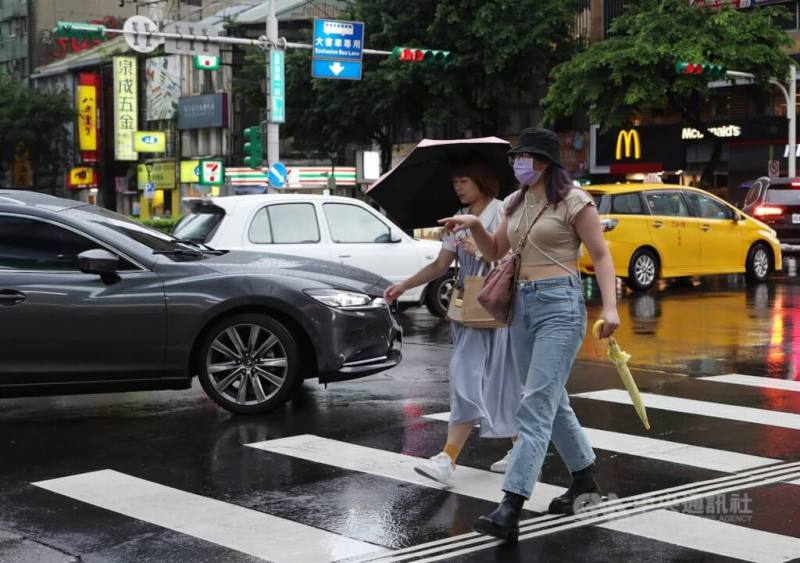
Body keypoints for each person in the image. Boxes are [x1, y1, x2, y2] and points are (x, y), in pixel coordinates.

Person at [439, 128, 620, 542]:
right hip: (521, 306)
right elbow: (494, 252)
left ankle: (511, 504)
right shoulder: (515, 203)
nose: (519, 164)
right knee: (551, 401)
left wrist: (610, 307)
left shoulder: (574, 202)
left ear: (546, 163)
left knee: (534, 405)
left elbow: (601, 255)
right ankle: (585, 480)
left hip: (561, 306)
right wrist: (474, 225)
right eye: (516, 158)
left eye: (526, 158)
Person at [383, 157, 521, 486]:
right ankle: (515, 449)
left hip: (495, 307)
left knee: (483, 381)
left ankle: (451, 458)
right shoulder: (456, 219)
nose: (458, 187)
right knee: (482, 381)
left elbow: (516, 256)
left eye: (464, 180)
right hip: (467, 309)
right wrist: (404, 286)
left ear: (481, 180)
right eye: (455, 181)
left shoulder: (503, 211)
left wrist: (481, 249)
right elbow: (440, 265)